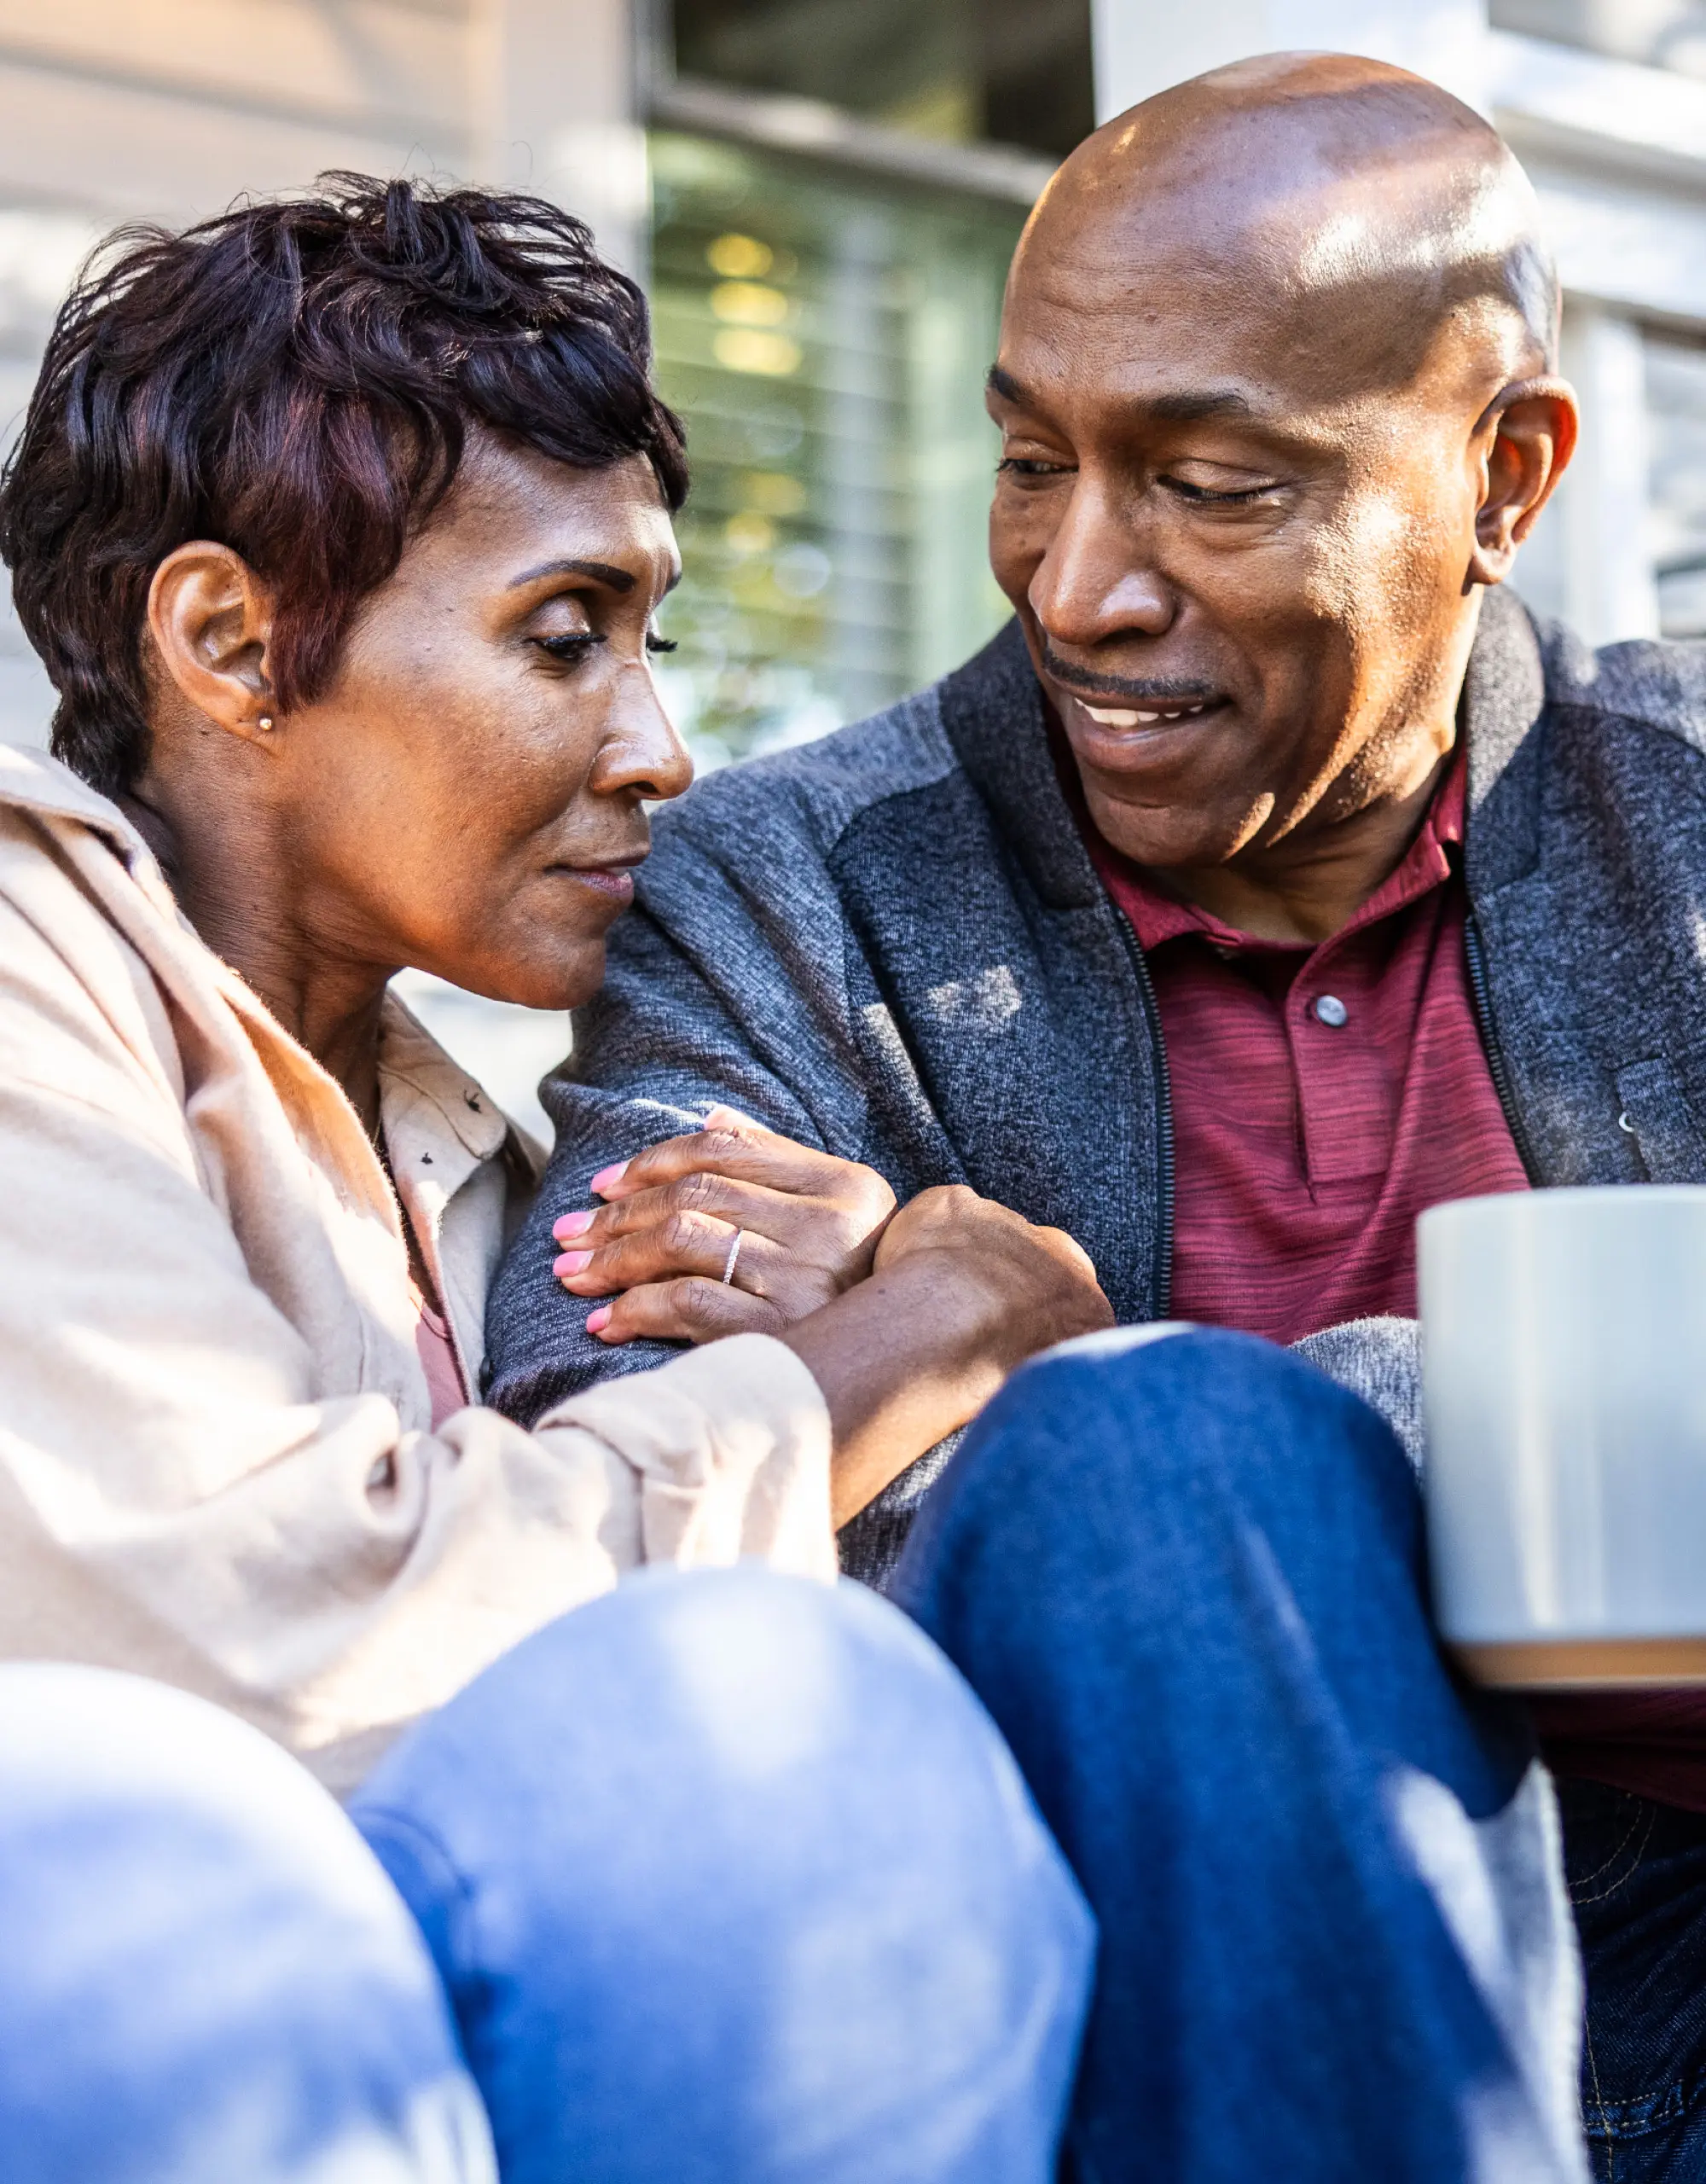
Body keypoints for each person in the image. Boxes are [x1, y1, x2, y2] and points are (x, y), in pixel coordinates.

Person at [485, 54, 1706, 2182]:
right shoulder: (784, 887)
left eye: (1211, 485)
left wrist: (1014, 1349)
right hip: (1128, 2009)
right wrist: (1160, 1468)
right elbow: (604, 1442)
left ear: (1502, 476)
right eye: (1030, 459)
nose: (1072, 587)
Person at [0, 175, 1105, 2175]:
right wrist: (916, 1337)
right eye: (565, 635)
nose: (660, 745)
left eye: (648, 640)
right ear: (231, 641)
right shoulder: (28, 973)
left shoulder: (490, 1155)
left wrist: (835, 1286)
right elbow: (275, 1637)